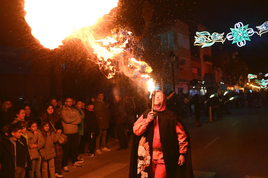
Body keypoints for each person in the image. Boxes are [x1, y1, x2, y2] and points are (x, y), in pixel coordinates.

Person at [129, 91, 194, 178]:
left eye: (160, 96)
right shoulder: (146, 114)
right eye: (155, 96)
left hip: (164, 156)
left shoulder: (170, 117)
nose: (157, 97)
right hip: (147, 157)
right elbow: (136, 131)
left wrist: (182, 153)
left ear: (164, 99)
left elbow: (181, 136)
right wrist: (147, 120)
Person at [40, 104, 64, 178]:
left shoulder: (56, 117)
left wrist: (60, 129)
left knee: (59, 154)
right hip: (48, 138)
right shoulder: (43, 119)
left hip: (56, 136)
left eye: (51, 108)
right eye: (48, 109)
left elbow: (60, 125)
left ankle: (57, 171)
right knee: (48, 158)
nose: (50, 110)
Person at [61, 98, 83, 172]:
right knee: (66, 150)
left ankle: (74, 162)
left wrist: (71, 120)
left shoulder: (75, 110)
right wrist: (74, 119)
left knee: (74, 148)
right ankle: (64, 165)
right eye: (68, 102)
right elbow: (66, 120)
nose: (70, 103)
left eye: (71, 102)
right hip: (67, 132)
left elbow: (79, 120)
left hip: (75, 131)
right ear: (65, 102)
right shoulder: (63, 111)